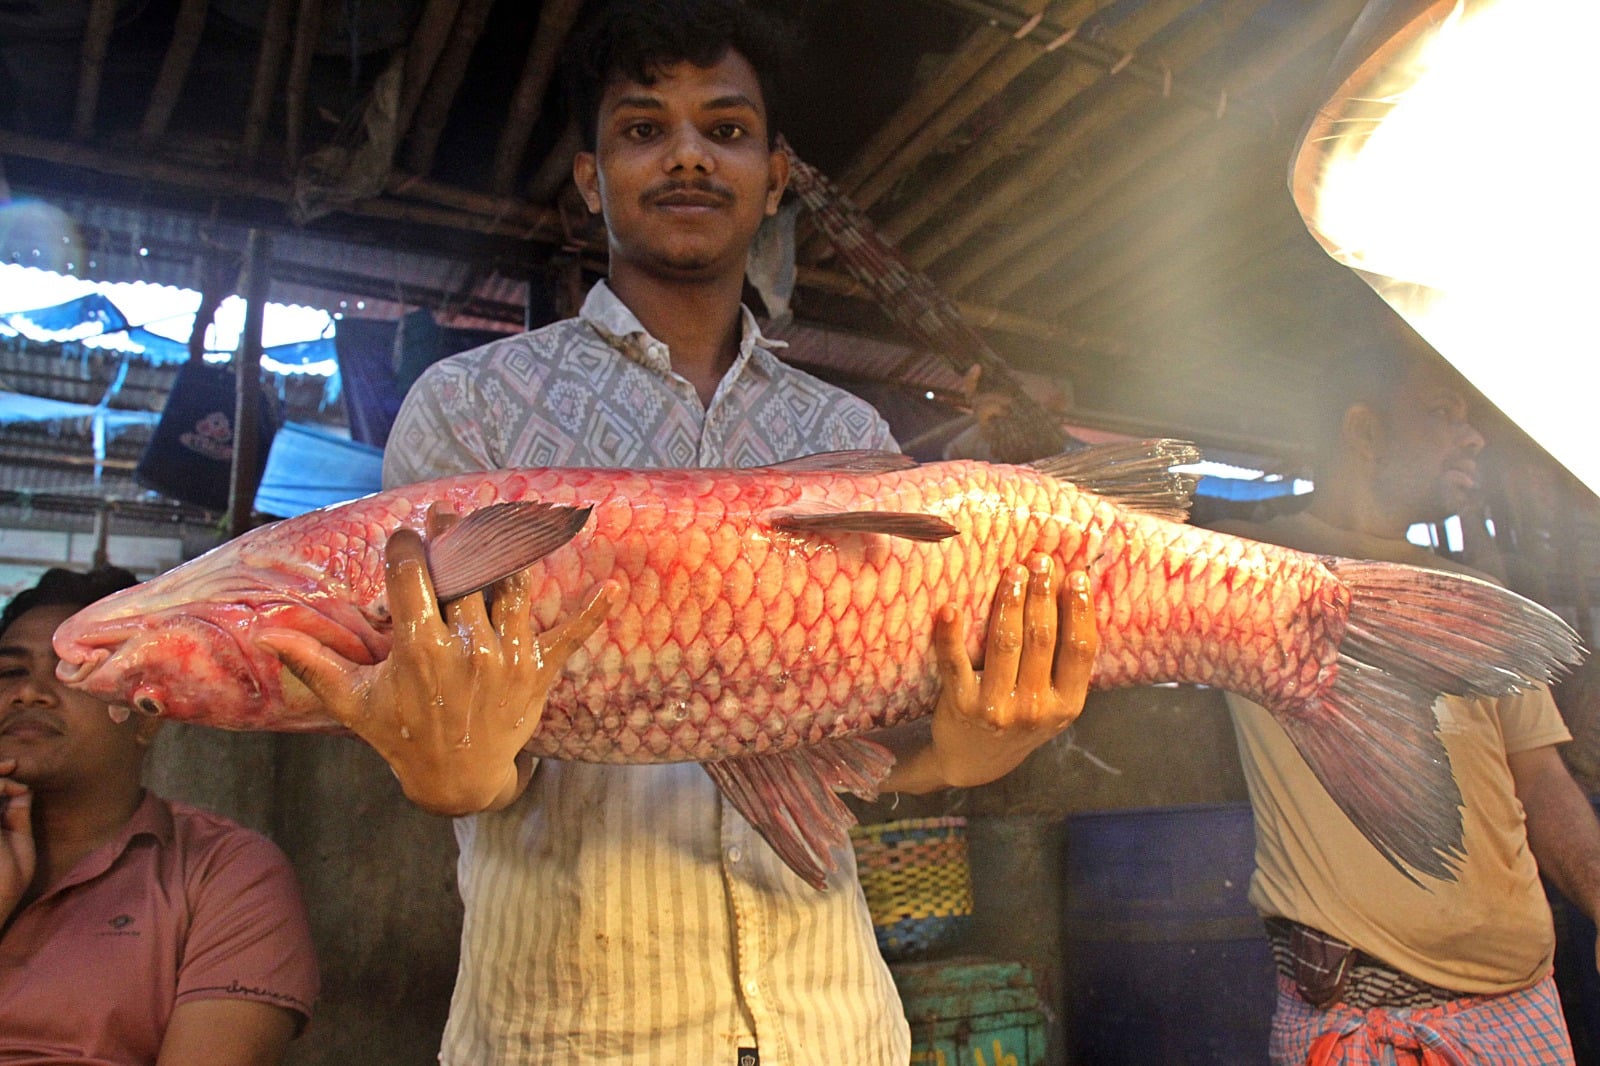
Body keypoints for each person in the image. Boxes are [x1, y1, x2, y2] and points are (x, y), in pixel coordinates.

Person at [263, 1, 1099, 1062]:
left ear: (776, 175)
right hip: (567, 1028)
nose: (689, 156)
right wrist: (454, 769)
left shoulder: (848, 436)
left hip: (829, 1024)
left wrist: (967, 749)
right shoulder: (471, 412)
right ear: (590, 177)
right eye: (643, 129)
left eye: (727, 129)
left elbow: (873, 747)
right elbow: (455, 718)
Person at [1208, 348, 1600, 1063]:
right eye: (1444, 413)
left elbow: (1541, 780)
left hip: (1524, 1008)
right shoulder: (1246, 578)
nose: (1474, 437)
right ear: (1365, 432)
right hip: (1360, 1022)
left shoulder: (1485, 601)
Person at [0, 566, 320, 1063]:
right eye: (10, 672)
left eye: (72, 668)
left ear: (146, 713)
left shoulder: (225, 872)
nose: (29, 693)